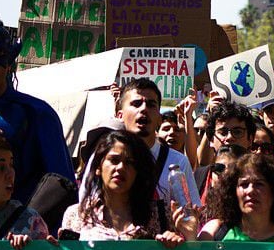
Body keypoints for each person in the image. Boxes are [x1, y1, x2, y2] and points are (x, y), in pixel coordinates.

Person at [0, 17, 74, 203]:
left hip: (20, 223)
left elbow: (62, 184)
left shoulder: (37, 112)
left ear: (10, 60)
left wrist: (34, 223)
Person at [86, 78, 200, 208]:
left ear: (159, 118)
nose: (144, 109)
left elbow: (191, 214)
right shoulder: (102, 160)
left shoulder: (178, 163)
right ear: (120, 115)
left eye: (151, 104)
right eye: (136, 103)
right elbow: (86, 212)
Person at [62, 130, 189, 242]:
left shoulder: (160, 214)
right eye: (114, 160)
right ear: (98, 168)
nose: (121, 168)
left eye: (130, 162)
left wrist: (176, 243)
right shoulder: (77, 215)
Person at [198, 154, 274, 250]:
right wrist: (189, 236)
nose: (250, 191)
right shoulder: (215, 232)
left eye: (259, 184)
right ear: (233, 192)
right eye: (244, 184)